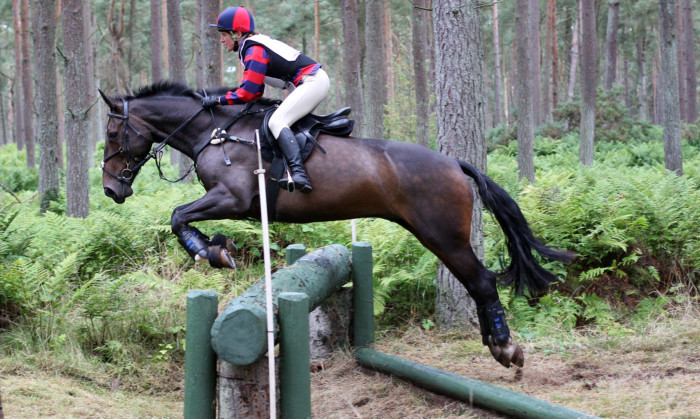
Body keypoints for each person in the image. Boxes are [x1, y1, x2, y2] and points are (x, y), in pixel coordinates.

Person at [202, 6, 330, 193]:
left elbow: (247, 93)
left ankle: (299, 173)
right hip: (307, 82)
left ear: (237, 33)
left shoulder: (253, 50)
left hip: (312, 81)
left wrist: (217, 100)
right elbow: (255, 93)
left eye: (223, 34)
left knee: (278, 121)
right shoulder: (252, 47)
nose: (221, 40)